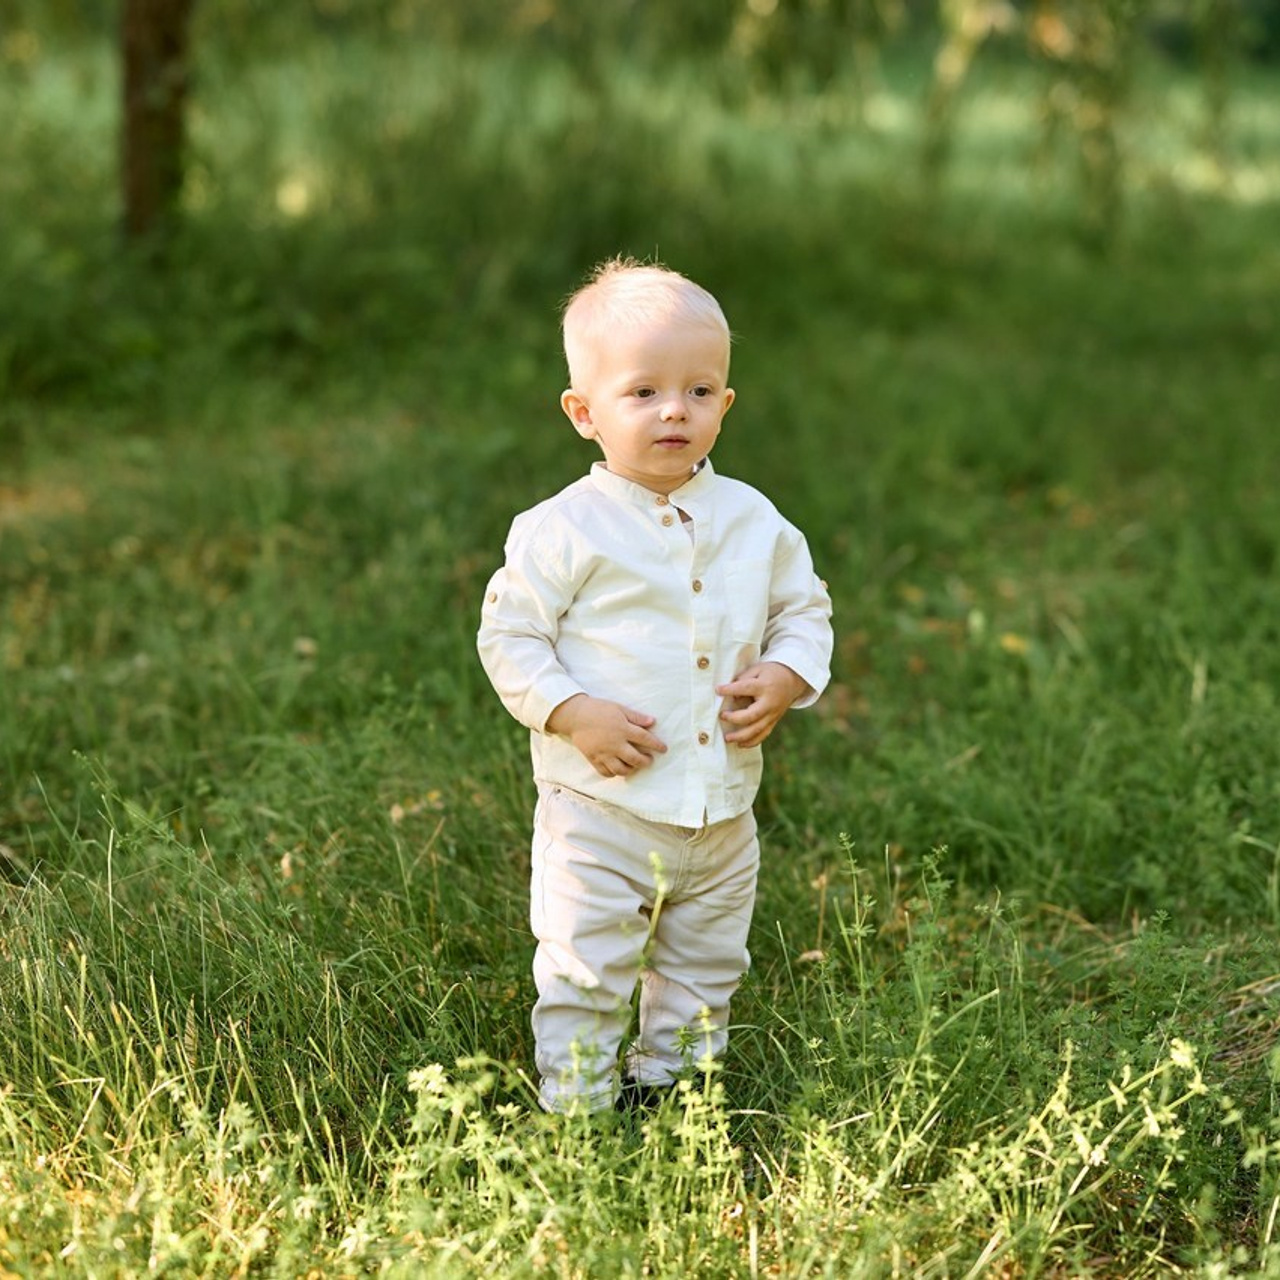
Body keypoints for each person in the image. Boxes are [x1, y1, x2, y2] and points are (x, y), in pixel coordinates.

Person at [477, 258, 833, 1113]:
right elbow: (511, 635)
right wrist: (572, 711)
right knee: (585, 960)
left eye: (700, 390)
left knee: (707, 961)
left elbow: (805, 610)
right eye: (643, 392)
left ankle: (670, 1088)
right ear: (583, 413)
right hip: (600, 809)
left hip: (720, 811)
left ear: (725, 404)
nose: (676, 409)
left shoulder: (756, 519)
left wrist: (786, 675)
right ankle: (579, 1104)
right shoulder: (563, 529)